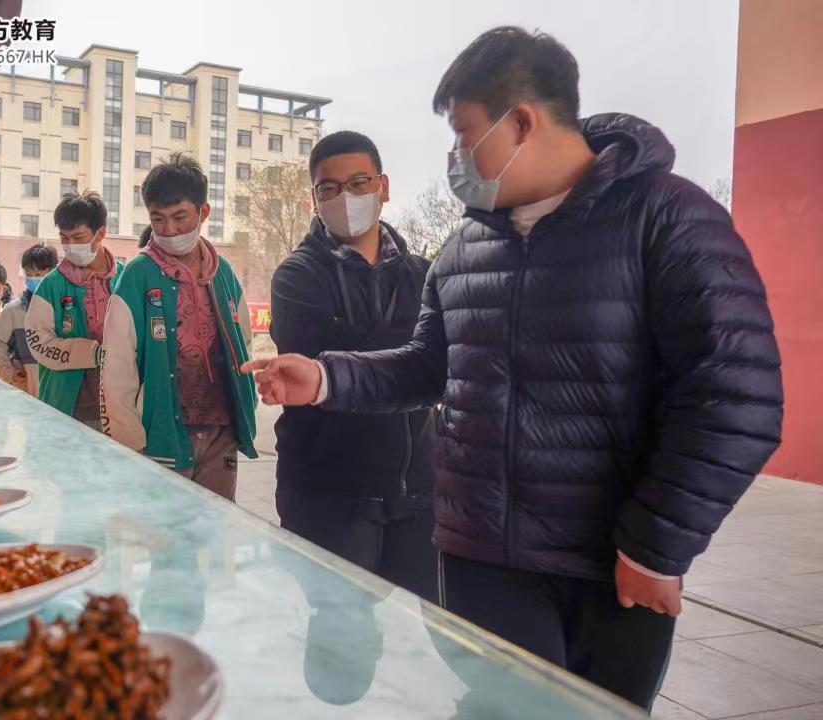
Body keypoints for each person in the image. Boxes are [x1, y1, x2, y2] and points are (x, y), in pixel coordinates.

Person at [242, 26, 783, 710]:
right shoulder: (466, 249)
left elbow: (736, 396)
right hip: (479, 560)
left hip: (602, 568)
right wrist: (326, 378)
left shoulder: (665, 220)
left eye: (464, 135)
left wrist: (657, 544)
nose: (457, 158)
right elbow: (427, 368)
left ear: (521, 122)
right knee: (494, 705)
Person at [271, 130, 438, 602]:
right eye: (330, 188)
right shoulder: (296, 277)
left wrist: (361, 351)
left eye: (359, 183)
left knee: (445, 629)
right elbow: (316, 369)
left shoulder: (424, 275)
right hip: (331, 495)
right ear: (315, 199)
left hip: (419, 489)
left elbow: (433, 364)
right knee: (340, 635)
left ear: (383, 187)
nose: (345, 197)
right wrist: (414, 353)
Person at [102, 153, 258, 501]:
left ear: (203, 213)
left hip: (221, 430)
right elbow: (117, 367)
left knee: (217, 520)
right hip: (162, 433)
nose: (169, 230)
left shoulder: (223, 273)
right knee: (166, 527)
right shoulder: (138, 276)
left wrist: (247, 403)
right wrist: (130, 441)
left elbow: (243, 341)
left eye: (179, 217)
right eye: (158, 219)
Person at [24, 191, 124, 428]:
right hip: (66, 404)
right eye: (64, 238)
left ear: (101, 233)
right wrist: (91, 353)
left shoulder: (126, 279)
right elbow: (38, 342)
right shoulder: (52, 285)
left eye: (78, 237)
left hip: (119, 405)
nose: (70, 246)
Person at [0, 244, 58, 395]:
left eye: (39, 274)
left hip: (58, 392)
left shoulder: (64, 309)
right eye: (28, 273)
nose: (33, 278)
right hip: (25, 392)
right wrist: (11, 375)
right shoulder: (12, 310)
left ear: (53, 273)